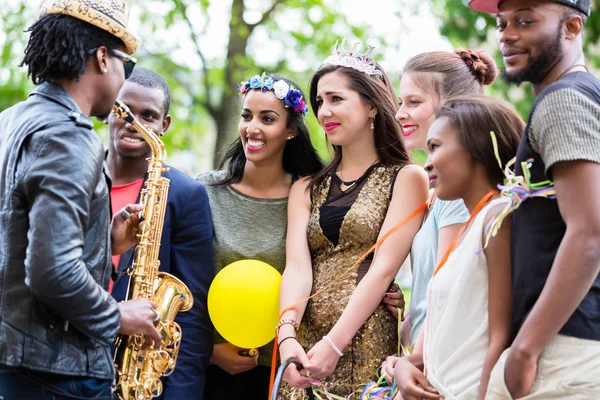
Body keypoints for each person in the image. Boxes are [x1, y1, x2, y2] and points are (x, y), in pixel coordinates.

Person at [0, 1, 162, 399]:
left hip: (18, 359)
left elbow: (17, 238)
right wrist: (117, 315)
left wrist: (105, 240)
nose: (126, 76)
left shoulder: (12, 118)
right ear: (103, 58)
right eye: (127, 62)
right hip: (54, 370)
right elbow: (50, 270)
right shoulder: (70, 135)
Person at [278, 41, 429, 398]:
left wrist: (335, 344)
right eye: (319, 102)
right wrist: (286, 340)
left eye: (335, 99)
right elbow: (297, 267)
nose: (323, 111)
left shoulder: (407, 177)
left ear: (372, 106)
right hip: (304, 345)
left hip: (362, 340)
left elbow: (383, 269)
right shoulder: (305, 188)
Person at [467, 0, 600, 398]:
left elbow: (590, 233)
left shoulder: (564, 99)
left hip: (563, 352)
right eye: (501, 22)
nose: (506, 35)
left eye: (525, 21)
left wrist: (525, 349)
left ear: (572, 27)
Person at [386, 96, 523, 400]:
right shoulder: (470, 228)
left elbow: (500, 337)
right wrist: (409, 364)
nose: (426, 161)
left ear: (476, 146)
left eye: (436, 146)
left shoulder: (497, 218)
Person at [197, 73, 324, 400]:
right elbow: (184, 279)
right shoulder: (204, 191)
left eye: (267, 119)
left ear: (291, 130)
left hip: (281, 372)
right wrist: (208, 350)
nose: (252, 127)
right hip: (208, 370)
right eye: (246, 115)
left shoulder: (308, 198)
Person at [106, 67, 215, 399]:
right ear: (110, 108)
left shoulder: (186, 195)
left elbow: (192, 320)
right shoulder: (77, 176)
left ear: (163, 126)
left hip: (138, 373)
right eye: (126, 111)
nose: (135, 123)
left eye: (148, 115)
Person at [395, 49, 497, 347]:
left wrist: (413, 364)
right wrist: (408, 317)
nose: (400, 113)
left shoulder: (457, 195)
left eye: (414, 102)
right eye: (401, 102)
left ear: (454, 108)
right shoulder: (438, 193)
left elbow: (449, 295)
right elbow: (432, 300)